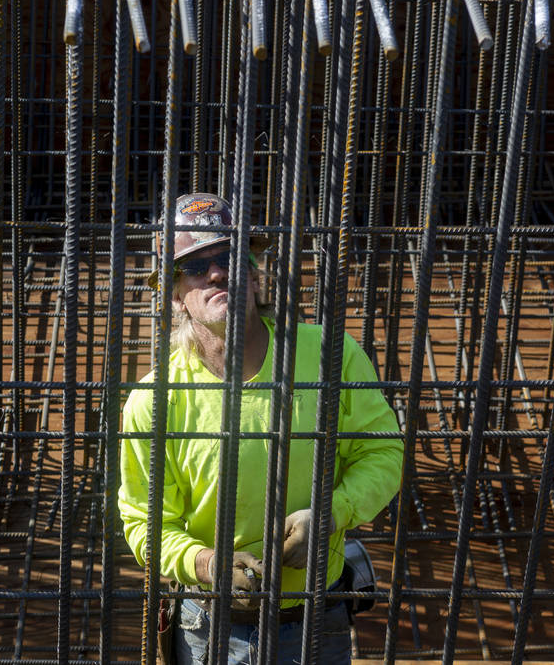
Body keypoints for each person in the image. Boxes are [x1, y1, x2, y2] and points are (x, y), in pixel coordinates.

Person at [118, 193, 403, 664]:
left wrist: (331, 515)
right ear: (174, 292)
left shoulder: (328, 354)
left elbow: (383, 452)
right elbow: (143, 521)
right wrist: (207, 564)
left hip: (315, 618)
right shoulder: (154, 401)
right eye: (195, 267)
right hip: (207, 626)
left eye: (229, 257)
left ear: (252, 272)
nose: (216, 273)